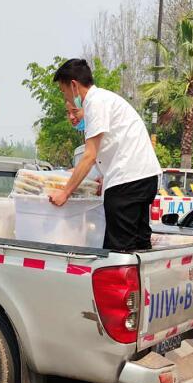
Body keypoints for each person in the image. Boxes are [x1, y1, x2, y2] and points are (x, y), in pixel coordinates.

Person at [50, 58, 162, 251]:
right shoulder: (106, 99)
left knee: (118, 251)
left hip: (127, 182)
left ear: (74, 85)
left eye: (64, 91)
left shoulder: (95, 102)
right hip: (145, 177)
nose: (66, 98)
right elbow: (107, 151)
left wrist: (65, 192)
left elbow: (89, 155)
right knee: (139, 245)